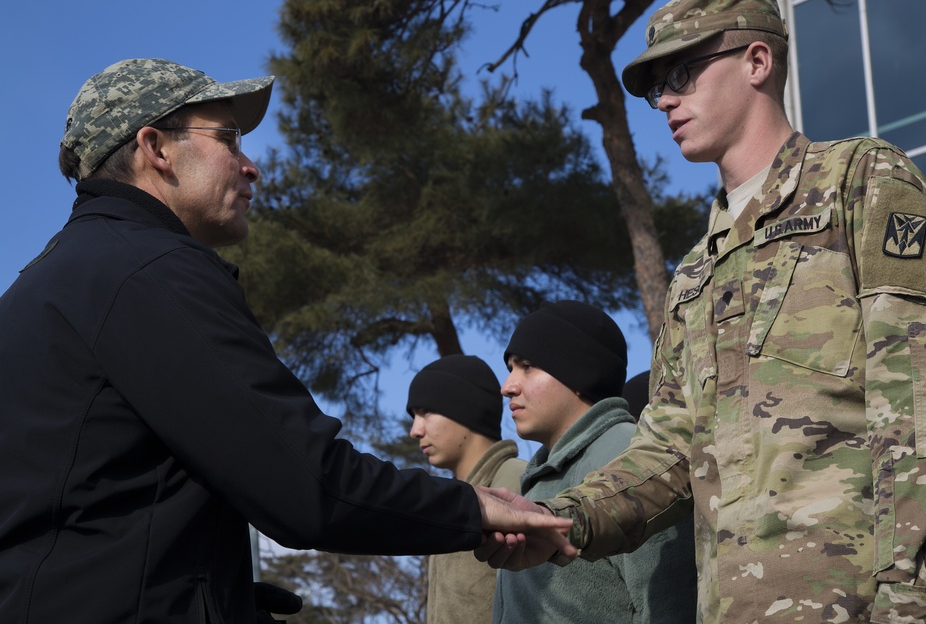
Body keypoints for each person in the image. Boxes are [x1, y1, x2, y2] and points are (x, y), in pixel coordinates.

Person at [477, 0, 926, 623]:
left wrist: (913, 601)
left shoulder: (858, 182)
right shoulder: (695, 272)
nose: (664, 98)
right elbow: (665, 450)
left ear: (757, 61)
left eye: (683, 72)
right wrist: (563, 520)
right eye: (651, 87)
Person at [0, 58, 573, 623]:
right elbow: (309, 485)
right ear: (156, 148)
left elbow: (83, 512)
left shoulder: (38, 288)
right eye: (229, 138)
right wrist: (474, 507)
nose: (251, 166)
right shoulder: (152, 272)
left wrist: (222, 594)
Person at [492, 300, 696, 624]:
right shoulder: (548, 472)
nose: (508, 386)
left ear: (577, 370)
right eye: (510, 368)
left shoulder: (627, 455)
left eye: (527, 365)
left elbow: (671, 604)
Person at [406, 355, 527, 624]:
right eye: (414, 416)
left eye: (426, 411)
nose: (415, 429)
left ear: (465, 409)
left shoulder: (516, 481)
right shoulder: (452, 500)